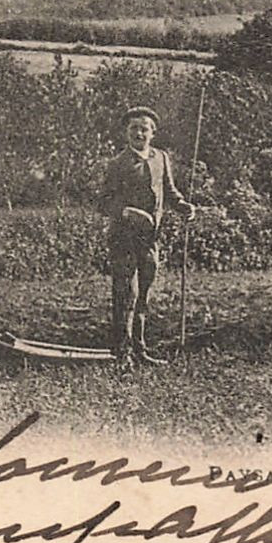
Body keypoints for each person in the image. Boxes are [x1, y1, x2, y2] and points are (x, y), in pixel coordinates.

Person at [97, 106, 194, 366]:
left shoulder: (161, 158)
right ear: (125, 133)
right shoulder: (118, 164)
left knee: (144, 294)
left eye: (144, 128)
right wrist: (127, 212)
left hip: (151, 239)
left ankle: (140, 350)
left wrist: (183, 205)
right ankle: (122, 352)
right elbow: (103, 202)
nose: (139, 133)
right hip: (123, 238)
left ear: (153, 132)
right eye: (133, 128)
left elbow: (170, 191)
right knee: (125, 293)